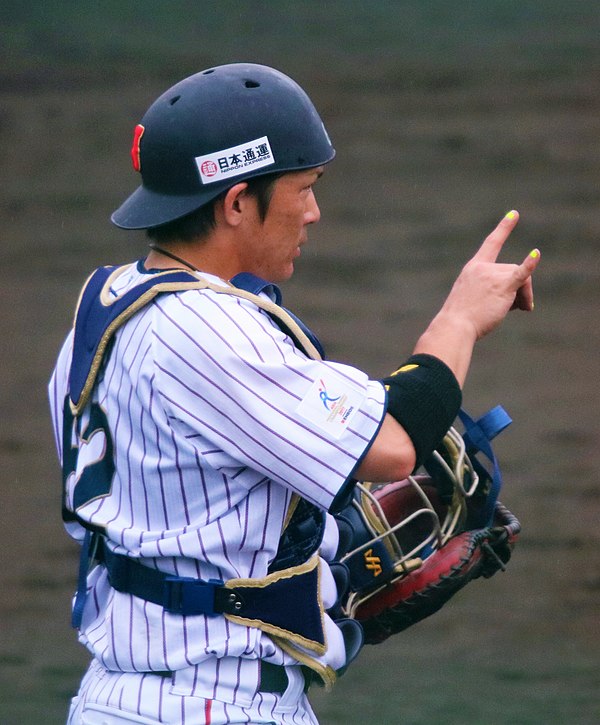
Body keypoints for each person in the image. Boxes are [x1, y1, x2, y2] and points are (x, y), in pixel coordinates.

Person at [48, 62, 540, 725]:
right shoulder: (207, 328)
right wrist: (460, 318)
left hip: (117, 698)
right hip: (208, 706)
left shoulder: (100, 315)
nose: (313, 211)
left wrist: (313, 567)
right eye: (303, 188)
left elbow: (182, 515)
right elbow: (395, 444)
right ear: (236, 202)